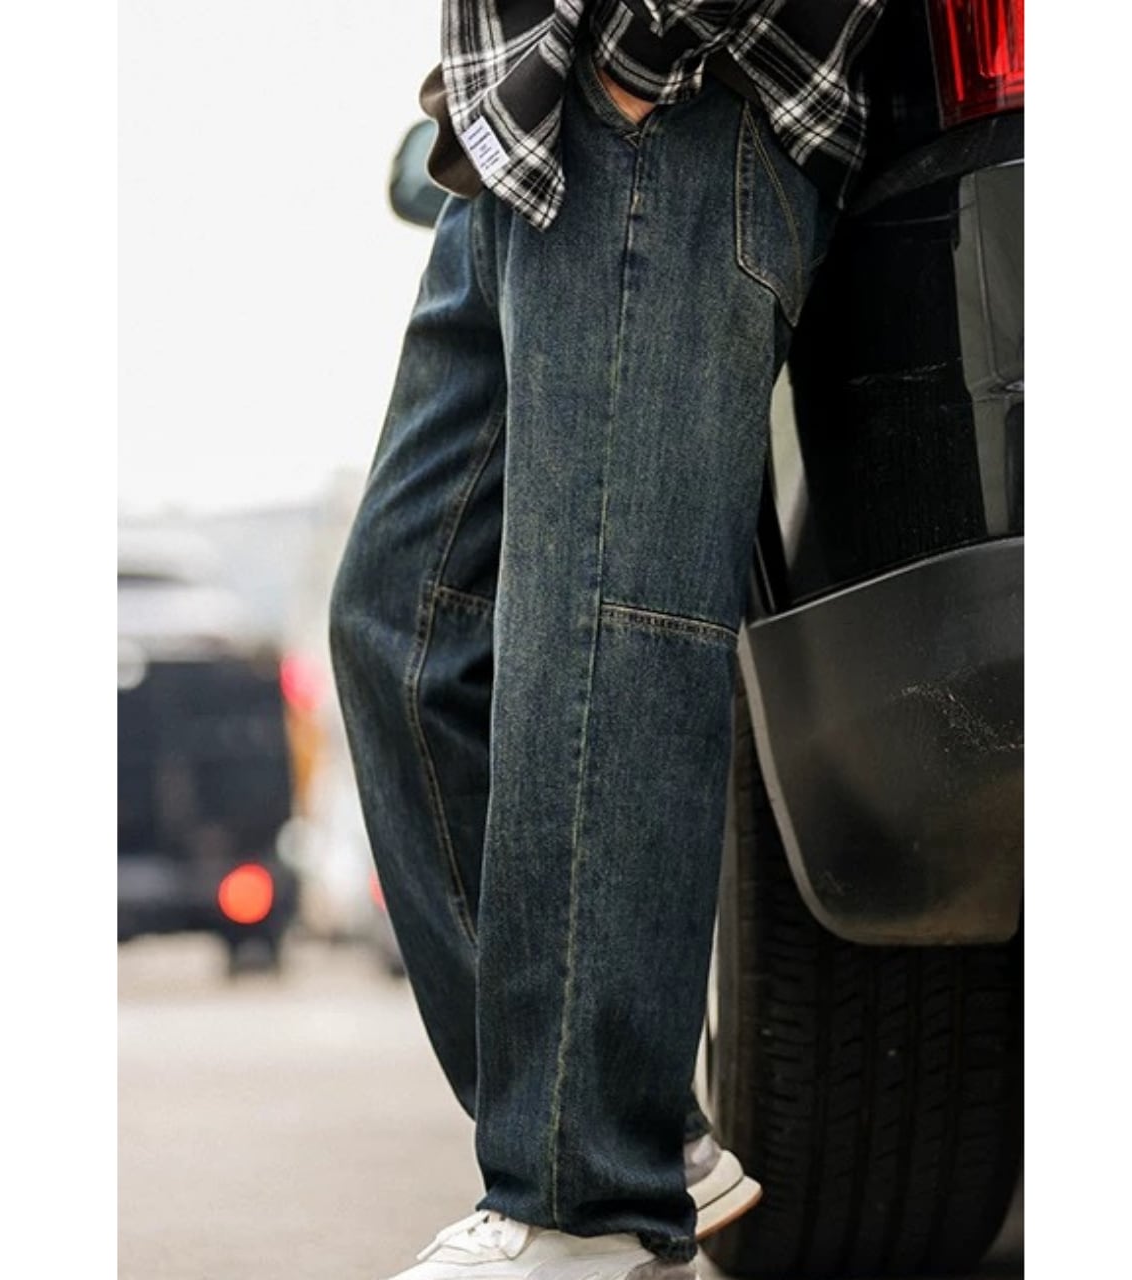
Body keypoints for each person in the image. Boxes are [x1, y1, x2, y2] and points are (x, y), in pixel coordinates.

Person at [329, 2, 887, 1276]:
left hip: (660, 108)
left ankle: (584, 1195)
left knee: (605, 633)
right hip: (514, 144)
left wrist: (641, 55)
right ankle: (623, 1131)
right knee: (398, 628)